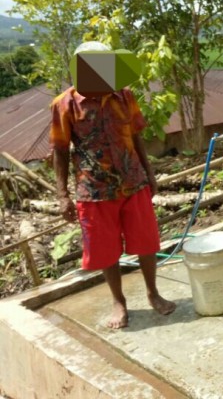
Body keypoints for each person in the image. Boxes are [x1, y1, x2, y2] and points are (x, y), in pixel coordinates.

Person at [51, 41, 176, 329]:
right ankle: (118, 301)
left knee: (146, 242)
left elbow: (137, 137)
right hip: (94, 191)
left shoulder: (124, 96)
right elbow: (59, 149)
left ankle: (153, 293)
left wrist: (150, 175)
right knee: (106, 250)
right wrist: (62, 196)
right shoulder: (65, 105)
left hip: (134, 183)